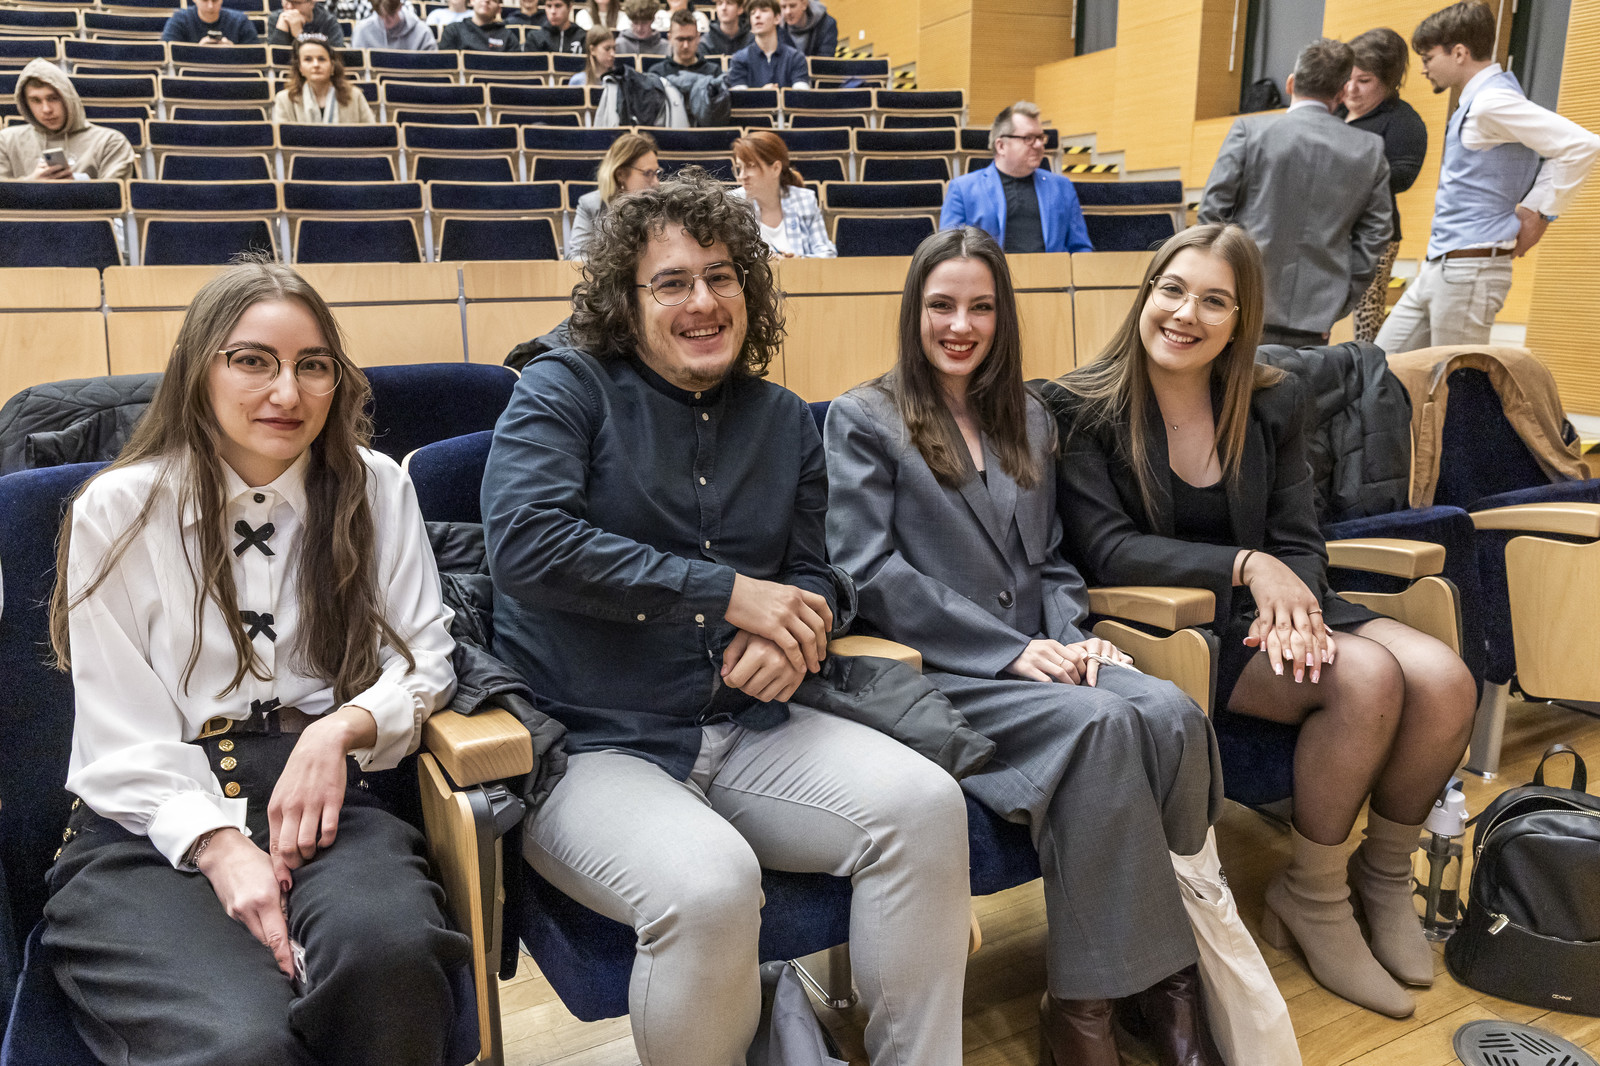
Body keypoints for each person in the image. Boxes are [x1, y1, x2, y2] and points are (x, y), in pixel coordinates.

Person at [483, 169, 971, 1066]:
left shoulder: (782, 418)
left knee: (926, 807)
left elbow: (815, 570)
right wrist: (729, 593)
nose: (703, 302)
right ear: (627, 303)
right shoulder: (563, 388)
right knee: (711, 885)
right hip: (593, 745)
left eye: (721, 276)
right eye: (671, 283)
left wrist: (802, 630)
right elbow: (526, 543)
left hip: (749, 727)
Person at [1046, 223, 1477, 1019]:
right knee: (1368, 677)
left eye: (1215, 301)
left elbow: (1298, 537)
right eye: (1173, 290)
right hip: (1176, 625)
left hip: (1279, 605)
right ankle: (1312, 897)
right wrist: (1247, 567)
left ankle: (1382, 878)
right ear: (1146, 293)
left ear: (1240, 320)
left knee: (1447, 680)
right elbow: (1107, 548)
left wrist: (1298, 609)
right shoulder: (1080, 406)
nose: (1187, 314)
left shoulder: (1273, 399)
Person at [42, 259, 467, 1065]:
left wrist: (340, 729)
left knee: (392, 963)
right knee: (243, 1040)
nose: (287, 392)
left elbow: (425, 659)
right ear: (197, 370)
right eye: (252, 361)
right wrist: (216, 843)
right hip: (148, 821)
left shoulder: (375, 486)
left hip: (322, 799)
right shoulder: (119, 508)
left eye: (314, 366)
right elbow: (118, 735)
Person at [826, 226, 1225, 1066]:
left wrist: (1075, 637)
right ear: (914, 311)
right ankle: (1093, 1006)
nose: (959, 325)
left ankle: (1155, 981)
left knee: (1173, 714)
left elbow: (1051, 562)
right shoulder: (864, 419)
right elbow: (867, 572)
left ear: (1003, 316)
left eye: (980, 307)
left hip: (1042, 650)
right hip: (940, 670)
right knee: (1104, 729)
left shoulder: (1031, 417)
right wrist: (1008, 652)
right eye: (941, 306)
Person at [1375, 0, 1600, 352]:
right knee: (1381, 367)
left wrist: (1539, 211)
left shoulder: (1491, 102)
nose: (1423, 69)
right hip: (1441, 266)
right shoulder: (1479, 100)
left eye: (1428, 58)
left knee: (1459, 381)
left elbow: (1583, 146)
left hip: (1471, 270)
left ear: (1459, 53)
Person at [1197, 39, 1392, 348]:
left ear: (1290, 83)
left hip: (1243, 299)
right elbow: (1377, 233)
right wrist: (1343, 297)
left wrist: (1216, 288)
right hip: (1319, 310)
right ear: (1342, 93)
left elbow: (1212, 214)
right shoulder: (1369, 149)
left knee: (1231, 381)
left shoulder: (1249, 132)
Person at [1340, 28, 1428, 343]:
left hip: (1372, 236)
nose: (1351, 88)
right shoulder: (1332, 111)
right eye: (1347, 78)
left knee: (1365, 321)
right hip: (1324, 230)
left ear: (1388, 81)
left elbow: (1403, 177)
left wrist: (1345, 170)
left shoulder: (1403, 122)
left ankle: (1364, 370)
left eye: (1364, 81)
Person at [940, 101, 1092, 254]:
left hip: (1052, 270)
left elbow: (1080, 248)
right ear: (1001, 146)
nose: (1039, 145)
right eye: (1028, 138)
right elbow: (947, 251)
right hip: (992, 270)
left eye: (1040, 137)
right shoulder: (963, 189)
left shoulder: (1062, 186)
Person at [0, 59, 137, 182]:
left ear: (67, 98)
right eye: (36, 100)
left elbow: (114, 197)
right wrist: (31, 183)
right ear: (25, 104)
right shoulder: (6, 141)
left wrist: (73, 186)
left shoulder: (110, 142)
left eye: (53, 98)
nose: (46, 109)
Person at [730, 130, 834, 258]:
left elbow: (827, 254)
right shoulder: (733, 203)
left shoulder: (805, 200)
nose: (742, 176)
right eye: (739, 168)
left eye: (750, 166)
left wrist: (799, 261)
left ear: (776, 168)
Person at [566, 131, 659, 258]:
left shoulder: (659, 205)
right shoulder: (590, 205)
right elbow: (577, 256)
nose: (656, 182)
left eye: (656, 173)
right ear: (620, 174)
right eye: (648, 173)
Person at [272, 35, 377, 123]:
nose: (316, 65)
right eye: (308, 59)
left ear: (332, 66)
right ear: (300, 68)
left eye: (321, 59)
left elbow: (371, 134)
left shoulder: (355, 96)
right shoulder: (284, 99)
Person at [727, 0, 806, 89]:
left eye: (764, 10)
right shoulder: (739, 59)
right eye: (753, 13)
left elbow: (802, 95)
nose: (757, 15)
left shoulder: (796, 58)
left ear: (777, 18)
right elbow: (739, 96)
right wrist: (764, 94)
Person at [647, 9, 718, 75]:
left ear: (698, 38)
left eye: (690, 39)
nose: (685, 45)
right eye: (680, 39)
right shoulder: (657, 73)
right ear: (670, 38)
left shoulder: (714, 72)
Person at [353, 0, 438, 50]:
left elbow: (432, 68)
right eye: (381, 16)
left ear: (400, 7)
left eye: (391, 15)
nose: (386, 21)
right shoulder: (362, 31)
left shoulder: (422, 32)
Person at [162, 0, 260, 44]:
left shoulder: (241, 21)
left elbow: (256, 55)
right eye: (205, 0)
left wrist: (232, 51)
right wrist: (198, 51)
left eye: (215, 0)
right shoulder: (179, 20)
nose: (210, 6)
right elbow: (167, 52)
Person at [439, 0, 521, 50]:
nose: (487, 1)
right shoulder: (453, 31)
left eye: (494, 0)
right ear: (472, 1)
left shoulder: (509, 37)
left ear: (499, 9)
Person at [268, 0, 346, 47]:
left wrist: (299, 36)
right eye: (286, 1)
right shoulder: (277, 18)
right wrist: (281, 31)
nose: (289, 7)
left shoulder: (329, 21)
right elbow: (276, 59)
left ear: (312, 3)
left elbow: (337, 57)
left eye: (296, 2)